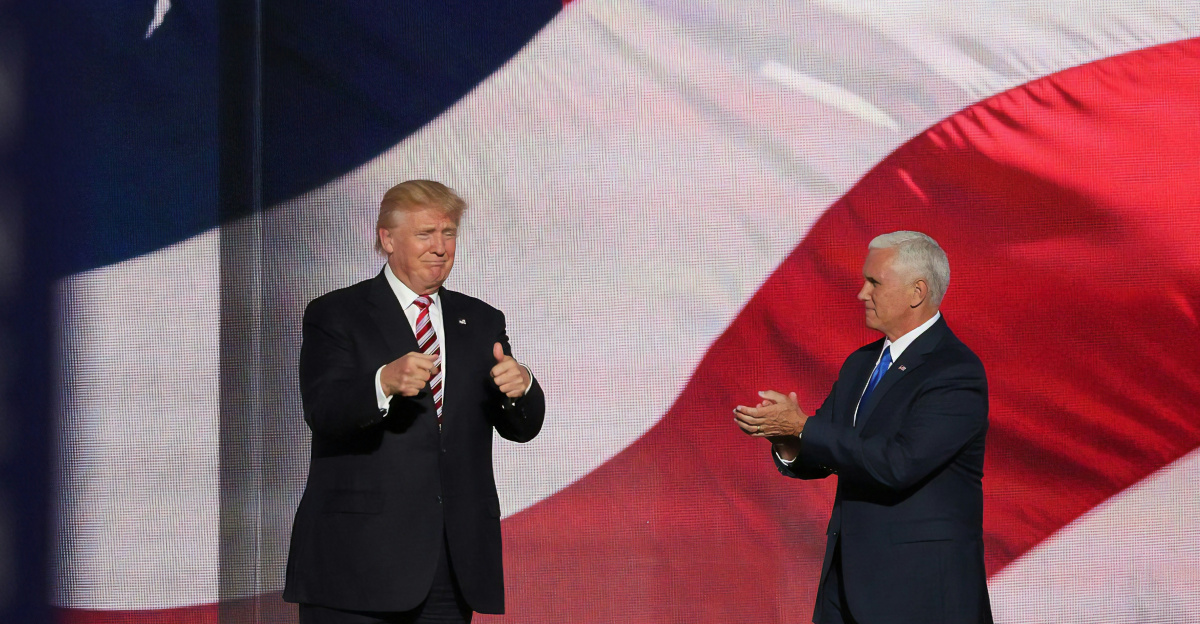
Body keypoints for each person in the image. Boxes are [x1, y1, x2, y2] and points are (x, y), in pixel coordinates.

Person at [283, 180, 546, 623]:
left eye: (448, 234)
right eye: (425, 234)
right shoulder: (336, 314)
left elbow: (522, 428)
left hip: (450, 564)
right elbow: (324, 411)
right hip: (356, 563)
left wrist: (523, 387)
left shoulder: (480, 319)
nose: (440, 247)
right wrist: (383, 382)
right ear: (388, 239)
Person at [734, 231, 991, 624]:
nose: (861, 293)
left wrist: (804, 427)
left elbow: (899, 464)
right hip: (846, 586)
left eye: (874, 282)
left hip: (919, 595)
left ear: (916, 292)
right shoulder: (861, 364)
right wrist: (788, 438)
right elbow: (827, 450)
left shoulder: (955, 371)